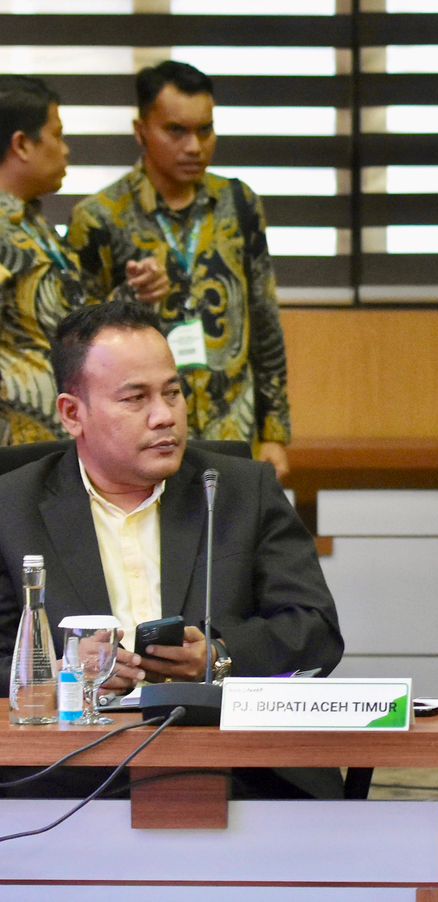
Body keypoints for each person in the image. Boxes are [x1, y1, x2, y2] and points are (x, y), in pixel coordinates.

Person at [0, 299, 342, 796]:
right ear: (73, 414)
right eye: (135, 398)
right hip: (65, 775)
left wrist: (219, 657)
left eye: (173, 392)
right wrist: (62, 675)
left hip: (240, 768)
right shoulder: (12, 509)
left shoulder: (241, 491)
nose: (165, 416)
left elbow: (315, 629)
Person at [68, 61, 292, 481]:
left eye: (205, 130)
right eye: (176, 131)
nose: (194, 146)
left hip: (233, 427)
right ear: (140, 132)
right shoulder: (98, 217)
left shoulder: (239, 203)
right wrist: (129, 297)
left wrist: (275, 432)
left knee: (229, 545)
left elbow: (264, 322)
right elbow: (80, 341)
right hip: (139, 440)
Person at [0, 75, 164, 445]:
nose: (66, 150)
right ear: (22, 145)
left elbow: (63, 328)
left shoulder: (32, 224)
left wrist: (133, 295)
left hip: (54, 437)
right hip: (14, 441)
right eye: (56, 136)